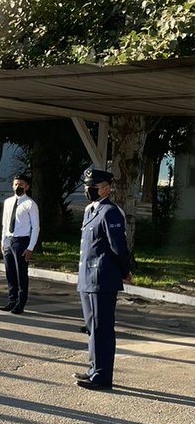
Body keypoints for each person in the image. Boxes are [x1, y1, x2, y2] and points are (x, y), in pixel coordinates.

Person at [75, 167, 132, 391]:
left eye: (93, 186)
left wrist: (125, 270)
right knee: (92, 328)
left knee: (102, 329)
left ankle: (102, 376)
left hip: (102, 279)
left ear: (106, 188)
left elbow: (118, 247)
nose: (88, 190)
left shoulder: (110, 212)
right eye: (87, 186)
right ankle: (93, 369)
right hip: (87, 278)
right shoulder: (90, 210)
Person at [0, 172, 39, 314]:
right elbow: (5, 223)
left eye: (21, 184)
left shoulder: (30, 204)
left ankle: (20, 303)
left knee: (21, 273)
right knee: (10, 273)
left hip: (21, 241)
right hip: (9, 240)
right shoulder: (8, 202)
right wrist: (3, 241)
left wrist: (30, 248)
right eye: (16, 184)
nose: (18, 187)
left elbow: (35, 227)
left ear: (27, 187)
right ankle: (11, 300)